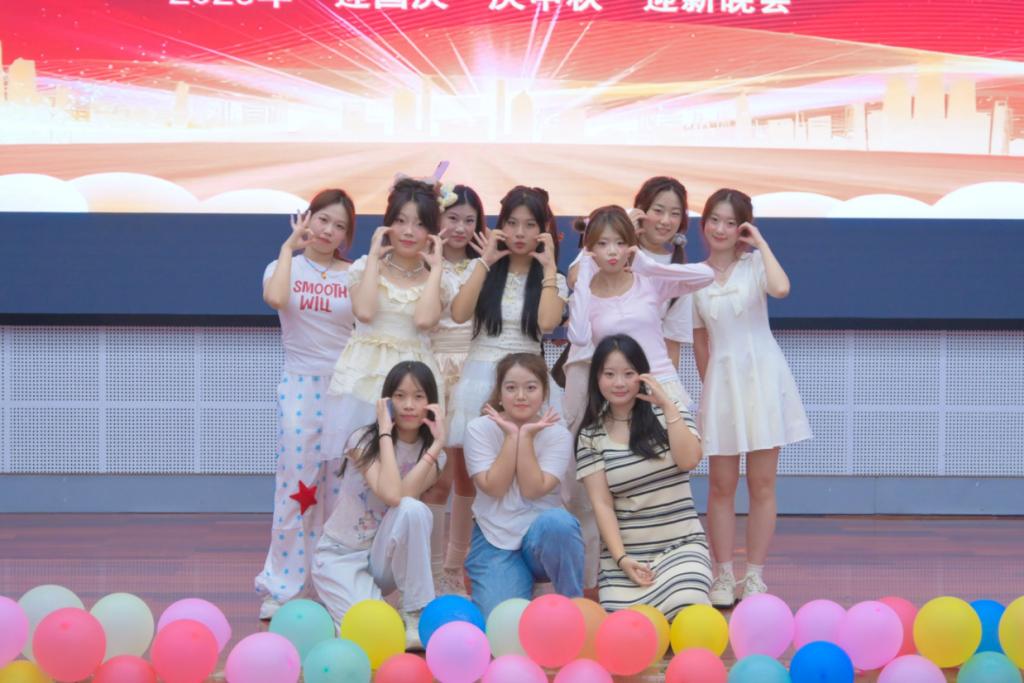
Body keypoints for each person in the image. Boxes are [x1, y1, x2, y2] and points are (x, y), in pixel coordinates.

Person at [444, 185, 568, 590]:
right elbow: (459, 313)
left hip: (529, 383)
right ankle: (454, 568)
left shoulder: (552, 278)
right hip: (481, 378)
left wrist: (548, 268)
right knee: (471, 480)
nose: (519, 233)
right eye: (512, 223)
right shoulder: (485, 270)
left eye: (530, 225)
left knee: (526, 474)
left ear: (543, 230)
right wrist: (484, 262)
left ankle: (529, 563)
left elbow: (547, 323)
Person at [692, 188, 812, 607]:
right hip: (722, 384)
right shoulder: (694, 277)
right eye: (714, 219)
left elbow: (781, 289)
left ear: (743, 227)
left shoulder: (756, 264)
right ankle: (724, 575)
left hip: (762, 379)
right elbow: (700, 341)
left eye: (731, 222)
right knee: (720, 486)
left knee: (762, 484)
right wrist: (711, 389)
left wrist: (759, 243)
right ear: (704, 222)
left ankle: (755, 575)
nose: (720, 229)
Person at [255, 188, 357, 620]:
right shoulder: (283, 266)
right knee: (295, 490)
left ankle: (331, 584)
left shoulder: (355, 274)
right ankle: (283, 585)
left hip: (346, 388)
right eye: (323, 220)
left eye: (339, 226)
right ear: (307, 218)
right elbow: (276, 299)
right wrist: (287, 248)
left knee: (340, 493)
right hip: (300, 384)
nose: (329, 231)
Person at [312, 361, 447, 649]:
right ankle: (336, 605)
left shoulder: (436, 455)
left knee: (414, 509)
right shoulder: (361, 440)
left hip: (382, 558)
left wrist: (437, 445)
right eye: (399, 396)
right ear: (386, 401)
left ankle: (415, 611)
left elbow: (403, 499)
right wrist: (385, 432)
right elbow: (390, 494)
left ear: (431, 403)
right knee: (374, 634)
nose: (408, 405)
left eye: (418, 396)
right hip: (341, 555)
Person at [576, 334, 711, 620]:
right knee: (626, 627)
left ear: (643, 375)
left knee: (688, 605)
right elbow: (602, 504)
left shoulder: (670, 412)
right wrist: (622, 559)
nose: (619, 383)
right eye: (609, 374)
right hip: (628, 558)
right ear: (597, 378)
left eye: (629, 373)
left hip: (681, 547)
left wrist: (668, 407)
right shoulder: (590, 435)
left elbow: (689, 460)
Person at [321, 178, 454, 464]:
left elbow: (424, 320)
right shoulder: (364, 267)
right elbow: (365, 312)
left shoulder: (439, 279)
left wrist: (436, 269)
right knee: (359, 467)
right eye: (400, 221)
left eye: (420, 224)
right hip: (364, 371)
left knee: (409, 465)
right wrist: (373, 259)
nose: (408, 231)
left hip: (414, 379)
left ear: (432, 232)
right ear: (387, 224)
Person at [463, 353, 584, 617]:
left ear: (544, 392)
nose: (521, 396)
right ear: (499, 393)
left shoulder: (557, 434)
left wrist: (526, 437)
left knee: (559, 523)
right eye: (511, 388)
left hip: (540, 536)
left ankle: (574, 608)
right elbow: (494, 487)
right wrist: (511, 436)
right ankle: (520, 583)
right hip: (495, 538)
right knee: (500, 620)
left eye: (530, 388)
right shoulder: (478, 429)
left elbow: (532, 490)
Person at [422, 183, 487, 595]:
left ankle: (452, 569)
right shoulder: (424, 260)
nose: (460, 228)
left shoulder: (486, 265)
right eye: (453, 218)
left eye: (469, 220)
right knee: (435, 479)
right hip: (433, 370)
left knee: (468, 480)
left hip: (474, 373)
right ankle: (428, 573)